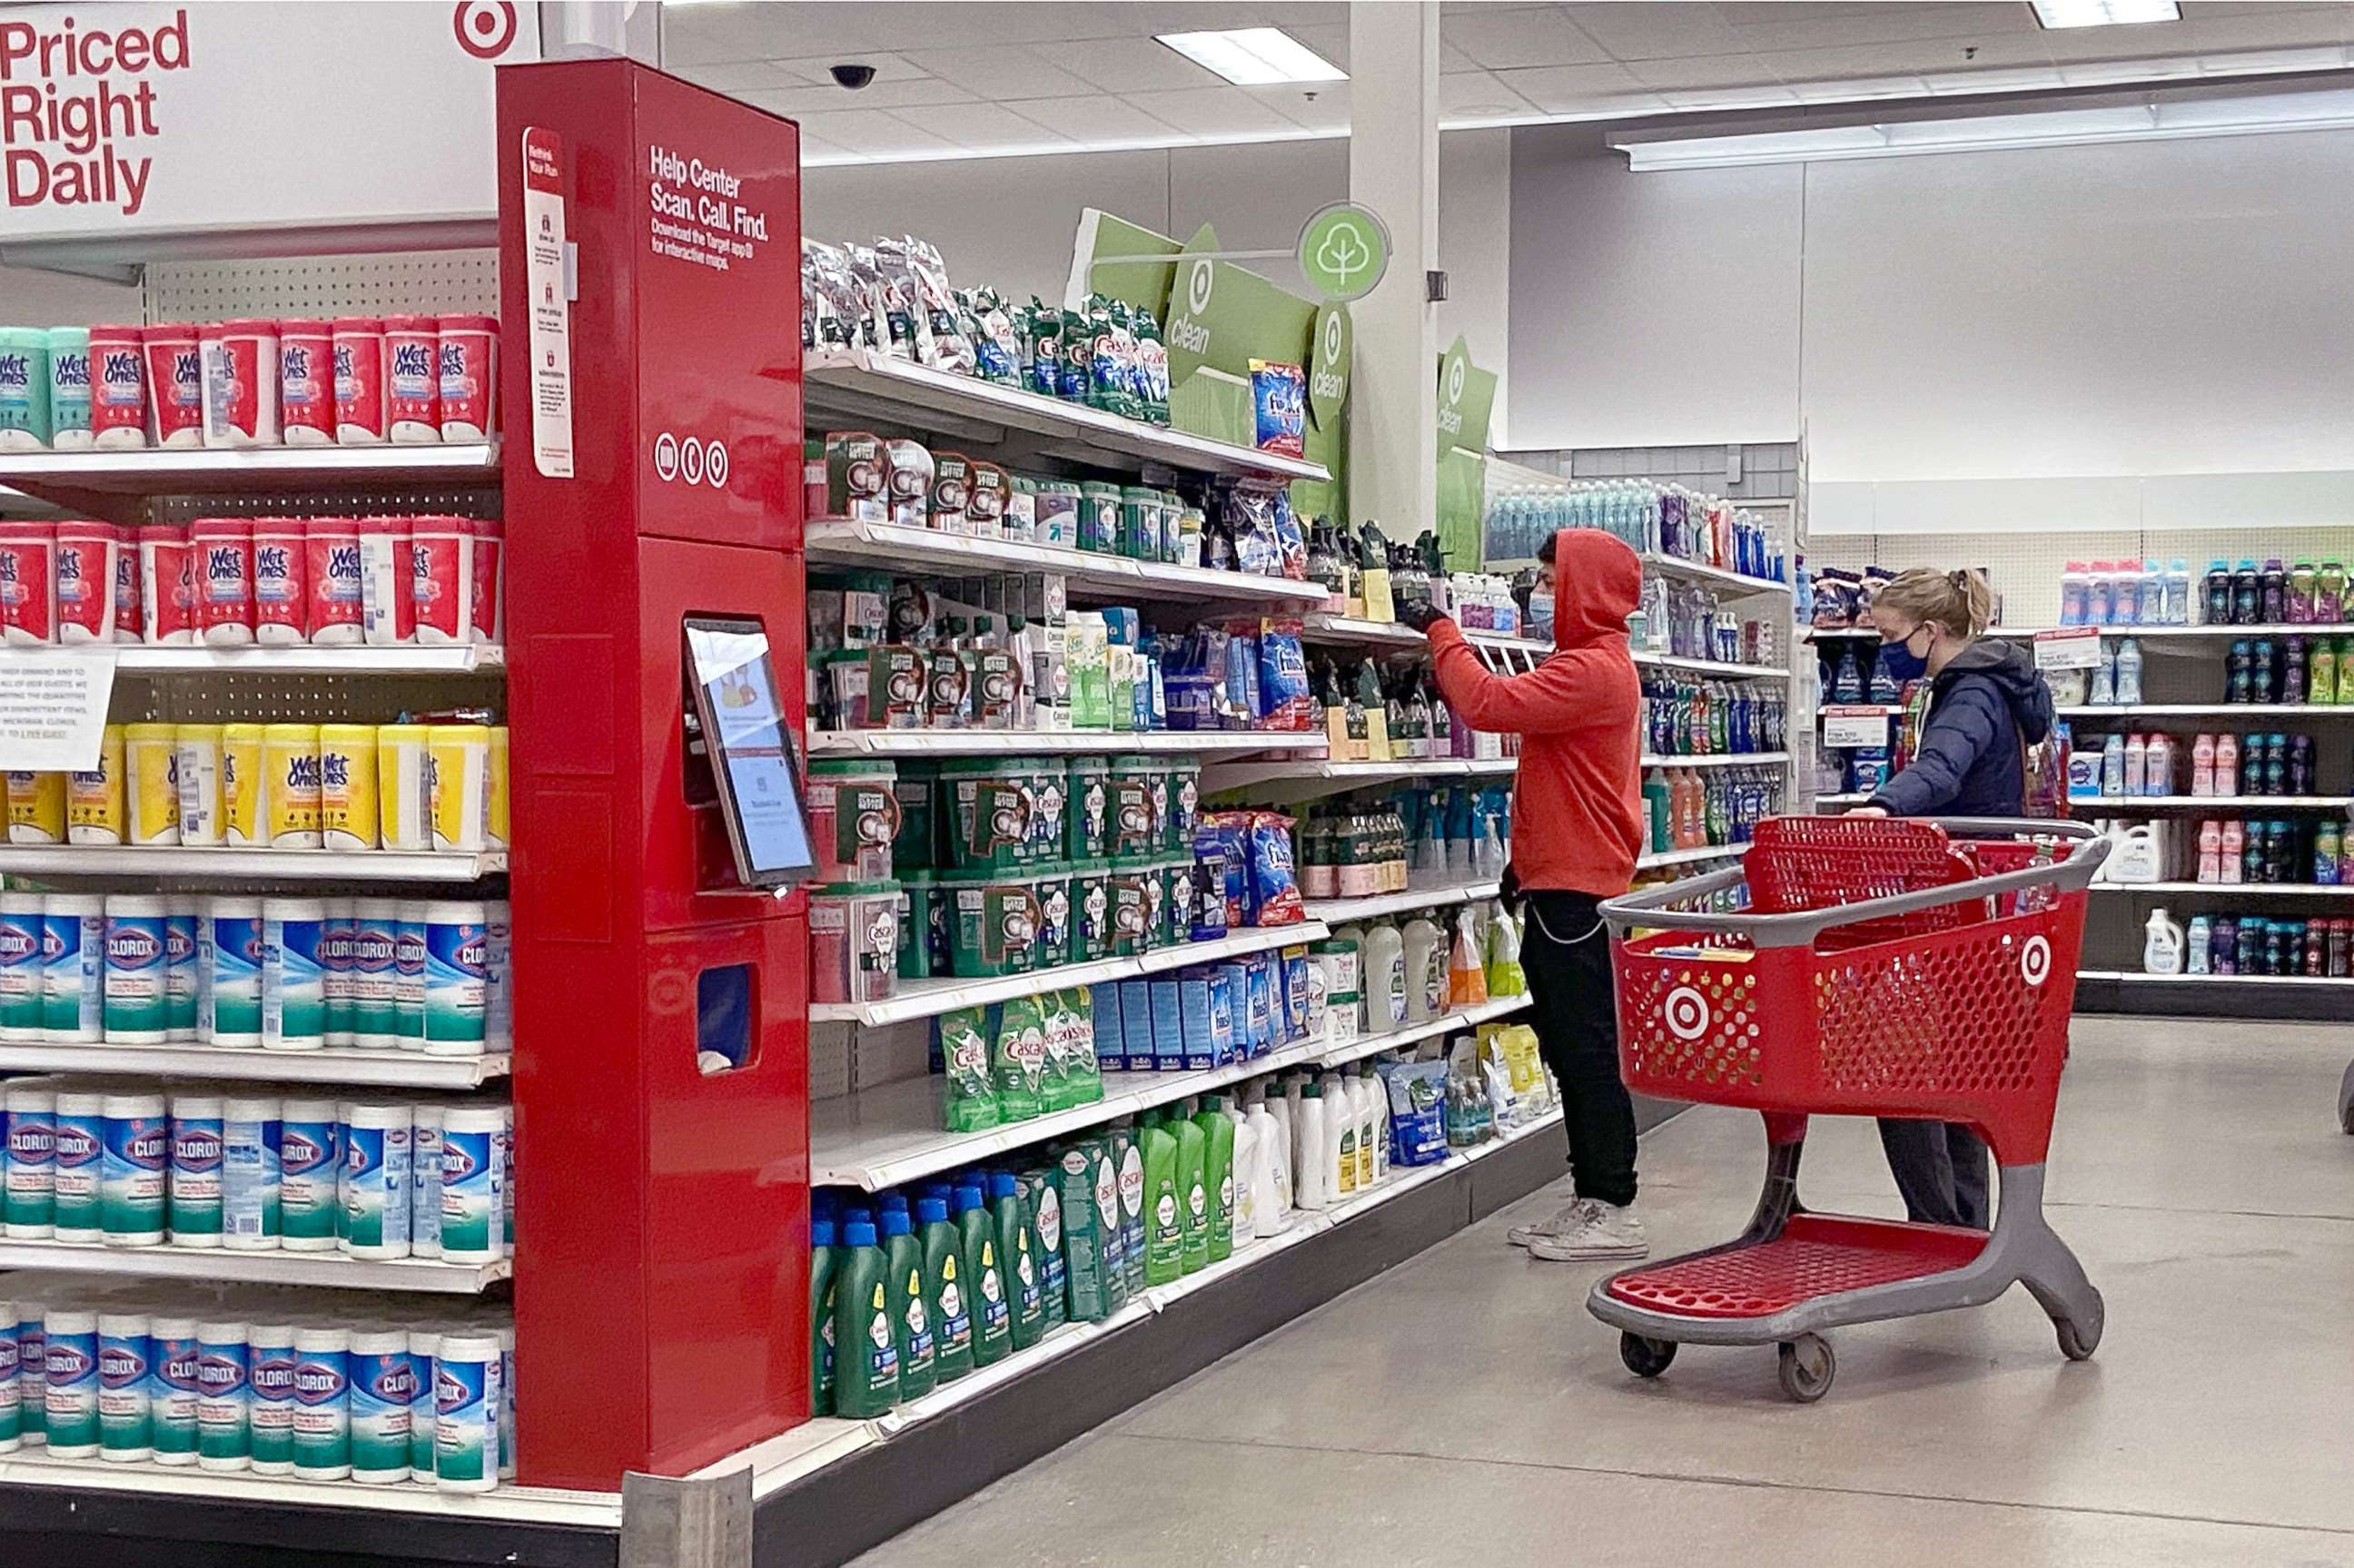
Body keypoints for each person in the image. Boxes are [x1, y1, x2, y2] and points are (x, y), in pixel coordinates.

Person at [1400, 529, 1649, 1261]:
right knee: (1569, 1049)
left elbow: (1484, 701)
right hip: (1557, 882)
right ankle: (1591, 1195)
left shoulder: (1597, 671)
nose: (1539, 594)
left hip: (1579, 893)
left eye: (1549, 580)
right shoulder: (1584, 665)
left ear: (1586, 589)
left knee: (1590, 1049)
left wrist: (1441, 627)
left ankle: (1614, 1205)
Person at [1850, 567, 2055, 1231]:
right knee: (1964, 1062)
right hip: (1982, 901)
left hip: (1961, 898)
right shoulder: (1994, 681)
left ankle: (1940, 1225)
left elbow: (1941, 767)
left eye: (1889, 634)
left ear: (1932, 630)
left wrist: (1883, 805)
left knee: (1902, 1069)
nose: (1884, 648)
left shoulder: (1969, 694)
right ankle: (1961, 1226)